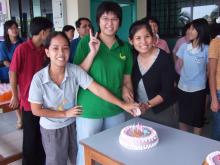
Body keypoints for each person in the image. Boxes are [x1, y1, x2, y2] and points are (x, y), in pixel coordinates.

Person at [28, 31, 138, 165]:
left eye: (65, 48)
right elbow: (36, 110)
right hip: (52, 128)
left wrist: (122, 104)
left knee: (78, 157)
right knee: (56, 161)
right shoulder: (39, 78)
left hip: (71, 123)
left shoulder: (74, 70)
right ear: (47, 52)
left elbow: (97, 88)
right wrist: (64, 113)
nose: (61, 53)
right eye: (55, 48)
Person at [74, 2, 134, 165]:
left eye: (114, 19)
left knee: (114, 152)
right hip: (89, 109)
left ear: (120, 23)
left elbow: (126, 79)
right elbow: (77, 74)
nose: (109, 23)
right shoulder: (85, 42)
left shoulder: (125, 48)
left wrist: (128, 94)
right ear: (98, 21)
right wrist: (92, 53)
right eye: (105, 18)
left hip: (116, 108)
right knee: (86, 153)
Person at [9, 17, 53, 165]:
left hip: (45, 101)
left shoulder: (44, 50)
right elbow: (13, 72)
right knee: (30, 139)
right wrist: (15, 95)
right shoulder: (22, 49)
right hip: (28, 103)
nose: (50, 34)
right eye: (49, 31)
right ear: (42, 32)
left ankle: (41, 161)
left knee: (42, 135)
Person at [129, 20, 175, 126]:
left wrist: (147, 105)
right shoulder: (132, 58)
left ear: (153, 38)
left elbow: (167, 91)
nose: (144, 42)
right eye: (138, 38)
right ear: (131, 41)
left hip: (162, 111)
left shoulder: (164, 58)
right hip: (139, 111)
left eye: (147, 36)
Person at [175, 18, 210, 135]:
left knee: (197, 119)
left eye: (192, 29)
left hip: (198, 89)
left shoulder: (207, 49)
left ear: (201, 30)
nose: (189, 31)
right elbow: (179, 65)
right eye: (189, 28)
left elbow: (210, 71)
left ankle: (196, 142)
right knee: (183, 117)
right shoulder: (184, 46)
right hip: (182, 87)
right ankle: (183, 139)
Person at [0, 20, 23, 129]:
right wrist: (14, 68)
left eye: (16, 27)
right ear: (7, 31)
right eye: (11, 28)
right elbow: (4, 60)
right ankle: (19, 118)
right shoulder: (4, 44)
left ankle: (27, 115)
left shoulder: (23, 41)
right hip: (11, 73)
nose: (14, 30)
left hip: (24, 72)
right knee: (16, 95)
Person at [208, 16, 220, 141]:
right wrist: (214, 99)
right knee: (218, 129)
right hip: (219, 91)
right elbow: (211, 73)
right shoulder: (216, 42)